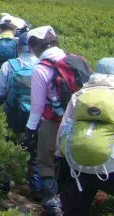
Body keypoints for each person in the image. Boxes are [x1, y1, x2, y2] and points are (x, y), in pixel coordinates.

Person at [25, 26, 91, 216]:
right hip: (77, 121)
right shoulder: (75, 60)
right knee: (70, 162)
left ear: (36, 46)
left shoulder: (41, 68)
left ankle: (52, 204)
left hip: (53, 122)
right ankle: (72, 200)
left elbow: (37, 107)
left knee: (45, 161)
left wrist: (30, 131)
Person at [56, 57, 114, 216]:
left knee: (75, 210)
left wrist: (61, 157)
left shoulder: (80, 95)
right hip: (111, 167)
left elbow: (64, 130)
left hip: (78, 165)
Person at [0, 32, 41, 198]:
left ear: (19, 47)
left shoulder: (9, 65)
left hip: (13, 115)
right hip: (37, 118)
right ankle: (36, 189)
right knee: (35, 154)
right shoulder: (42, 66)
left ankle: (3, 185)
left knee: (6, 148)